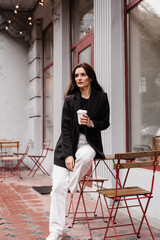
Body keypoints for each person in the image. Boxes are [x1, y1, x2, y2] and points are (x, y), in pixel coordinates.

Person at [46, 62, 110, 240]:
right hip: (66, 146)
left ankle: (71, 187)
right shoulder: (69, 100)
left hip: (88, 143)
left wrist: (92, 123)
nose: (79, 78)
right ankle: (55, 231)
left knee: (87, 156)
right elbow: (65, 129)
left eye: (82, 75)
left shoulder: (102, 97)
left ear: (90, 76)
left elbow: (105, 122)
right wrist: (67, 155)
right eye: (76, 76)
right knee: (57, 187)